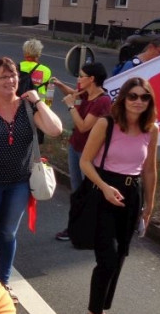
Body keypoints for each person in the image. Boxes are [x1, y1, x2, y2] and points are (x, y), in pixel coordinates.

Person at [0, 57, 63, 303]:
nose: (9, 81)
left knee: (8, 233)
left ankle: (3, 283)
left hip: (19, 183)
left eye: (12, 75)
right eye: (3, 76)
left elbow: (55, 130)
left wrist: (38, 102)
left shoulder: (27, 108)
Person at [80, 77, 158, 314]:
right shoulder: (107, 124)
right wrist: (104, 186)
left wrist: (149, 206)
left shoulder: (151, 129)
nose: (138, 101)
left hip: (131, 194)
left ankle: (101, 305)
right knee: (108, 259)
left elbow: (149, 170)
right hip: (104, 191)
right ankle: (95, 311)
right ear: (123, 98)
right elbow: (85, 161)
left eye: (144, 97)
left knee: (120, 256)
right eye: (133, 96)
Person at [52, 63, 112, 241]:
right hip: (75, 147)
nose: (78, 79)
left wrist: (70, 107)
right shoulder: (87, 94)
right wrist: (61, 85)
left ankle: (89, 229)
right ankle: (76, 228)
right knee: (77, 191)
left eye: (81, 76)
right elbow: (74, 95)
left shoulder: (102, 101)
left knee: (89, 193)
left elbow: (84, 126)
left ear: (92, 79)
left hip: (89, 154)